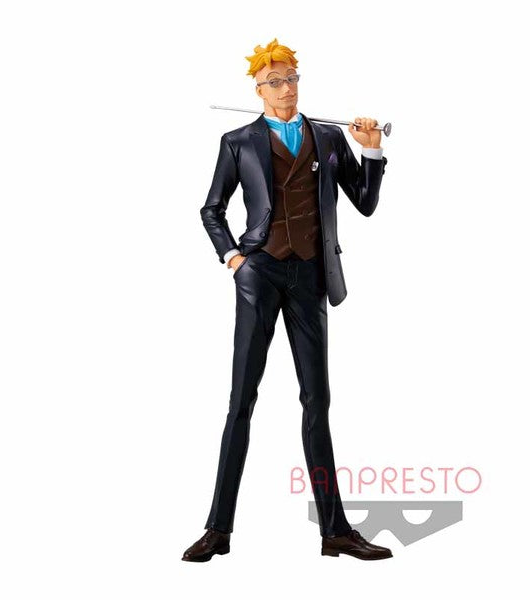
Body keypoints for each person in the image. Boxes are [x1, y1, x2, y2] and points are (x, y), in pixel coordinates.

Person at [182, 38, 392, 561]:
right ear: (258, 89)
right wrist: (234, 258)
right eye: (274, 82)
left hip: (311, 277)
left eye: (292, 78)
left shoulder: (328, 137)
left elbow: (364, 203)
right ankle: (218, 529)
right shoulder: (238, 141)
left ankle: (335, 530)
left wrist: (371, 150)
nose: (286, 89)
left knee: (317, 402)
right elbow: (211, 209)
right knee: (241, 401)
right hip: (259, 273)